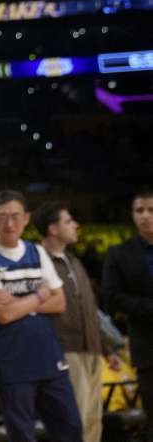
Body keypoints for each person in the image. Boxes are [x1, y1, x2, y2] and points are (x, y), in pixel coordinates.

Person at [0, 190, 81, 442]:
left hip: (49, 356)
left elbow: (60, 302)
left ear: (27, 218)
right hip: (11, 361)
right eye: (3, 217)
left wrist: (19, 303)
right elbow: (4, 314)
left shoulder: (37, 251)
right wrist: (40, 296)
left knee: (71, 428)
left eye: (16, 216)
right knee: (22, 435)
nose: (10, 224)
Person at [35, 201, 120, 442]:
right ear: (53, 228)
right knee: (75, 421)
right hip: (64, 350)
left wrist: (106, 349)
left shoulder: (74, 262)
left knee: (93, 421)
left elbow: (91, 311)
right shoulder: (39, 262)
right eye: (69, 221)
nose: (76, 225)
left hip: (91, 349)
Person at [101, 189, 153, 442]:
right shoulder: (119, 254)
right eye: (139, 211)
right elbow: (111, 297)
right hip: (147, 348)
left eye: (151, 210)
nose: (145, 216)